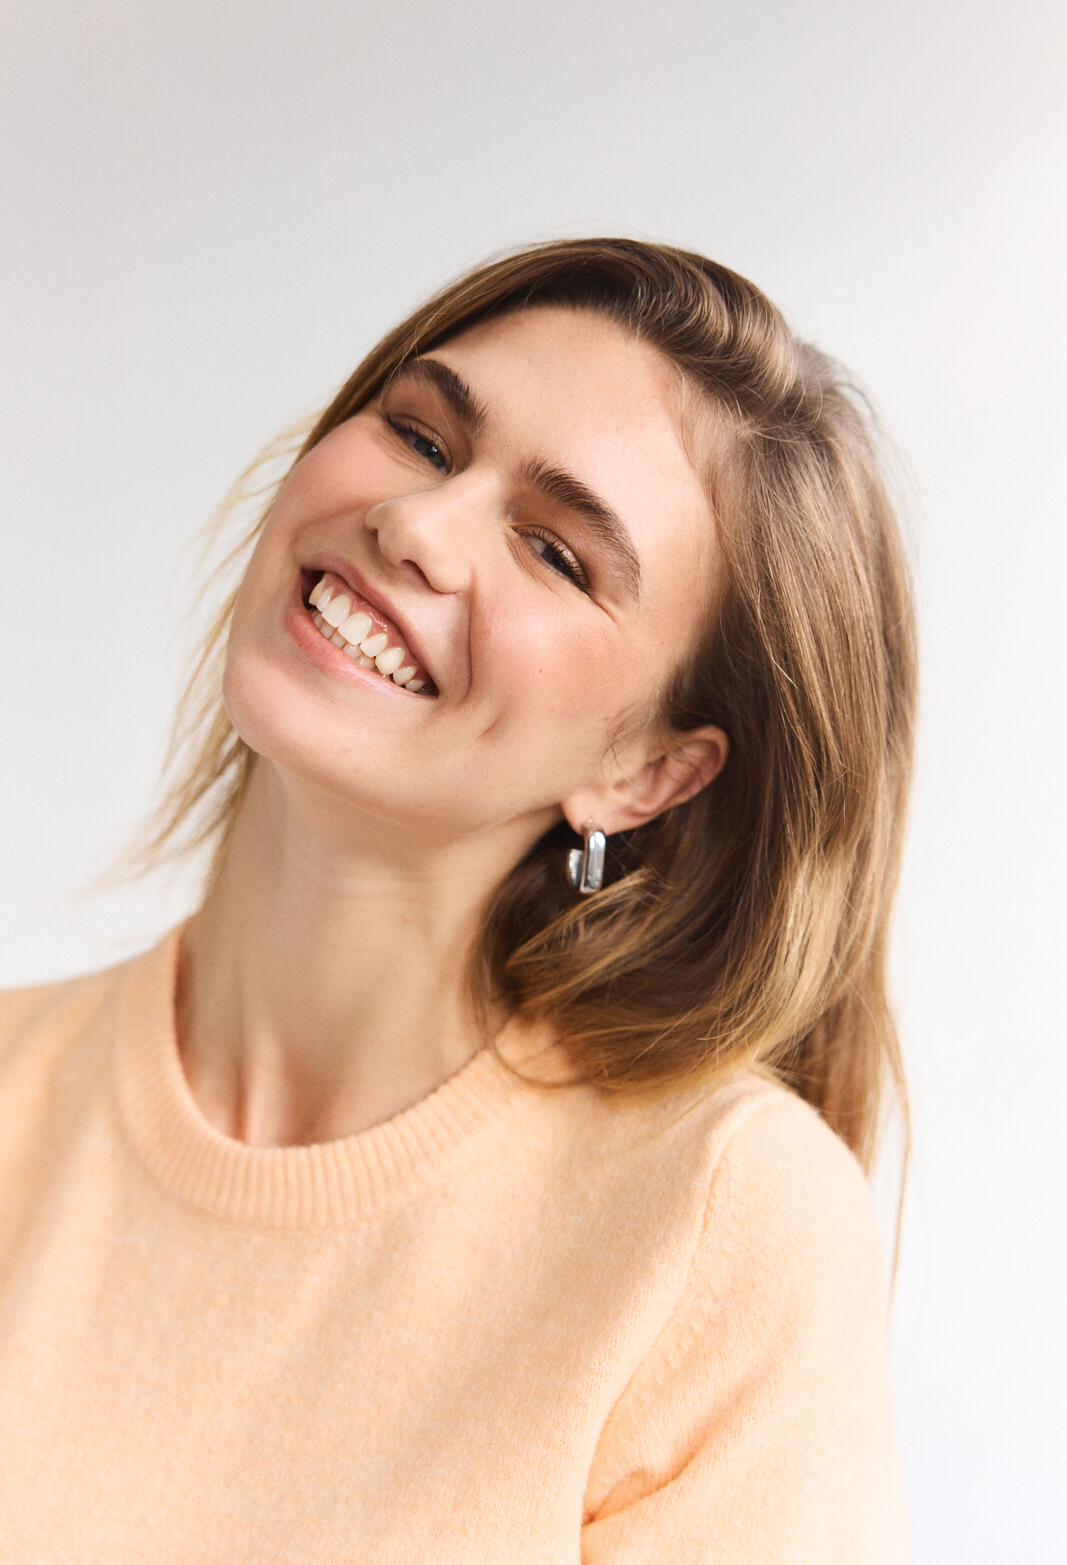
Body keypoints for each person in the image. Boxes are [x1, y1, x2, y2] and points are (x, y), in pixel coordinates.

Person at [0, 237, 915, 1561]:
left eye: (554, 552)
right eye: (423, 437)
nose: (413, 527)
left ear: (648, 769)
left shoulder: (716, 1230)